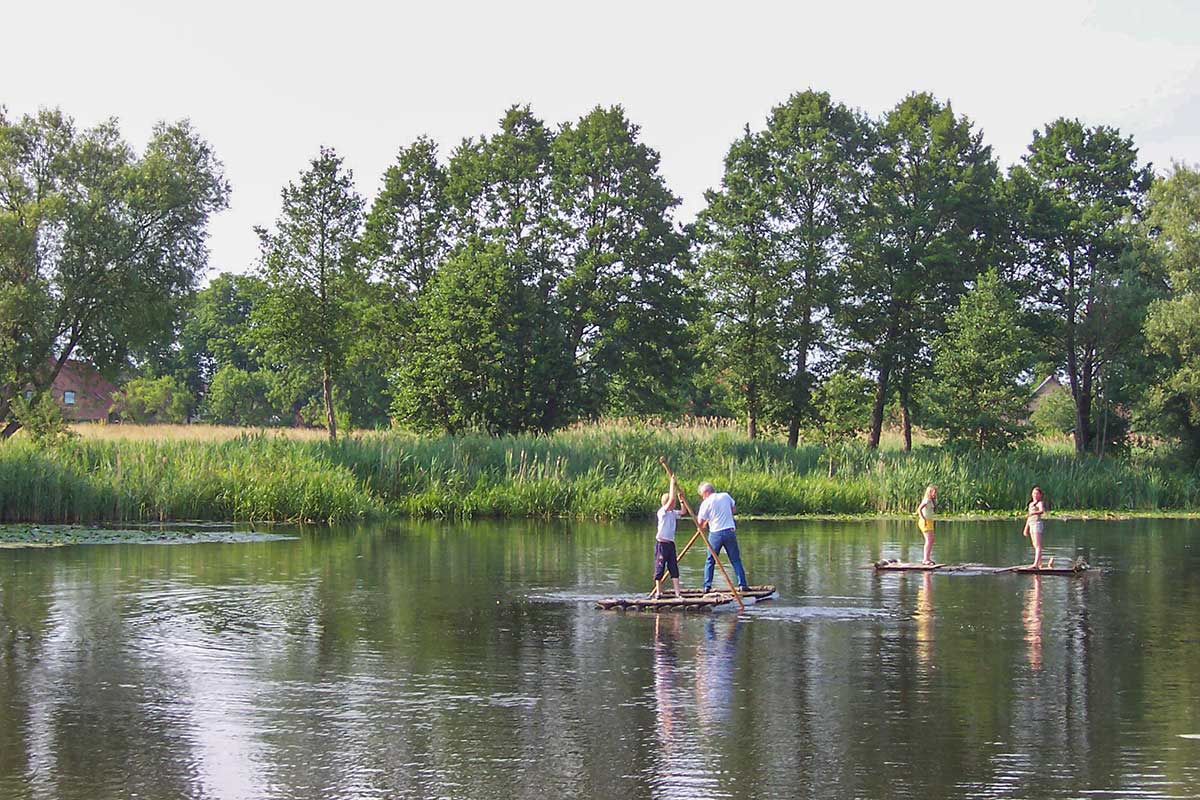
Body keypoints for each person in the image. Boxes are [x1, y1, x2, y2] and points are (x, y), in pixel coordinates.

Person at [695, 481, 750, 593]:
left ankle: (707, 586)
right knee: (735, 559)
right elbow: (733, 509)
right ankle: (742, 584)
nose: (702, 498)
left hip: (716, 534)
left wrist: (704, 524)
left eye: (702, 495)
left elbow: (700, 522)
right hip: (729, 531)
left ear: (706, 493)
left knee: (710, 560)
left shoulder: (706, 503)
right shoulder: (725, 496)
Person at [652, 476, 684, 599]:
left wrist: (682, 500)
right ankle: (658, 592)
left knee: (673, 568)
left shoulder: (672, 513)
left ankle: (677, 593)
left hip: (670, 545)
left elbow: (683, 512)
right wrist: (672, 484)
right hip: (661, 545)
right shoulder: (662, 512)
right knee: (659, 568)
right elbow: (671, 499)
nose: (674, 504)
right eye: (673, 502)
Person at [1023, 486, 1047, 569]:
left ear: (1040, 495)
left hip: (1037, 523)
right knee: (1034, 544)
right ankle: (1040, 563)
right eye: (1034, 493)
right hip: (1031, 524)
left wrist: (1034, 513)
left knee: (1038, 545)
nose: (1035, 495)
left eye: (1037, 493)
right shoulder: (1030, 504)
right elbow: (1029, 517)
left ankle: (1035, 564)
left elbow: (1042, 511)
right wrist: (1026, 528)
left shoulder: (1039, 503)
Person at [917, 484, 938, 565]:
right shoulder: (926, 500)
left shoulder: (930, 500)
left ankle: (928, 558)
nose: (935, 494)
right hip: (925, 521)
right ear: (930, 492)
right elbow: (919, 509)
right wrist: (923, 519)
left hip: (929, 521)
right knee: (928, 540)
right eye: (934, 492)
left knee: (931, 540)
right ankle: (925, 559)